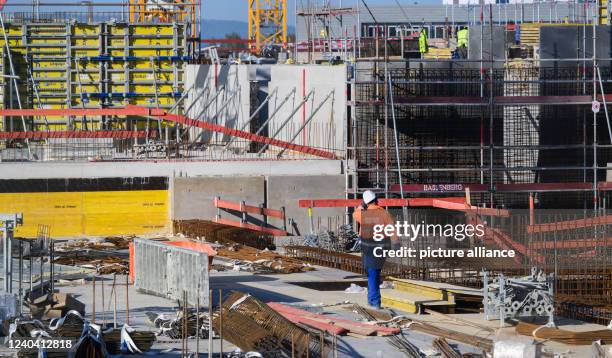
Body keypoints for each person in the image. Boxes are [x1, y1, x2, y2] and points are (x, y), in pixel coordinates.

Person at [352, 190, 399, 309]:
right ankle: (371, 300)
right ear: (376, 200)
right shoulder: (384, 213)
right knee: (373, 274)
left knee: (372, 274)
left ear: (365, 202)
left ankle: (375, 302)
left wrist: (361, 206)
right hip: (381, 247)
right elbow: (391, 229)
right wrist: (396, 243)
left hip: (368, 248)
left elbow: (354, 214)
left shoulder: (363, 213)